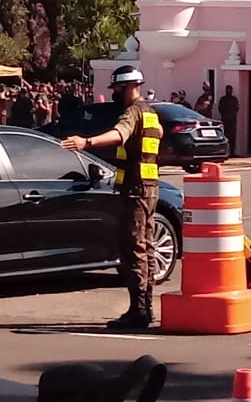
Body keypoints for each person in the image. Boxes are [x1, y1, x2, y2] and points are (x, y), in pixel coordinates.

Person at [62, 65, 163, 329]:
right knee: (147, 247)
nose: (114, 93)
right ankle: (145, 307)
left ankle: (139, 311)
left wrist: (87, 142)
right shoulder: (151, 113)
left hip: (135, 189)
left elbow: (120, 135)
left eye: (117, 88)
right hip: (150, 187)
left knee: (135, 248)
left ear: (128, 87)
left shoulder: (132, 113)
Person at [217, 85, 239, 157]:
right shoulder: (223, 99)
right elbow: (220, 108)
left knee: (232, 136)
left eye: (230, 90)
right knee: (225, 136)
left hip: (232, 120)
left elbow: (237, 108)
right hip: (225, 120)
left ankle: (232, 152)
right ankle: (225, 152)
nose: (228, 91)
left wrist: (231, 114)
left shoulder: (234, 99)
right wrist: (225, 114)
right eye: (227, 90)